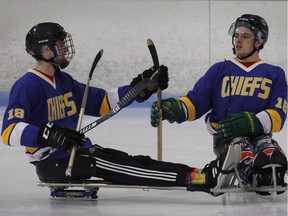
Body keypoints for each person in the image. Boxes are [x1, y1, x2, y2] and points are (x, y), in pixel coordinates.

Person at [1, 22, 233, 195]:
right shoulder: (27, 85)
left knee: (136, 160)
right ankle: (195, 178)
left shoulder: (64, 81)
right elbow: (8, 132)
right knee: (123, 167)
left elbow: (104, 102)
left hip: (75, 153)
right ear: (46, 51)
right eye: (59, 45)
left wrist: (141, 86)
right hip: (54, 163)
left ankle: (198, 172)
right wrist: (47, 134)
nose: (65, 48)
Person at [151, 14, 287, 195]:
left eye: (245, 36)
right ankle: (250, 170)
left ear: (259, 42)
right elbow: (196, 101)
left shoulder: (275, 73)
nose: (238, 40)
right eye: (236, 35)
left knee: (268, 146)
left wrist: (251, 122)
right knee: (240, 146)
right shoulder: (219, 70)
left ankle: (269, 169)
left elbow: (278, 114)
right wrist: (175, 108)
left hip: (261, 135)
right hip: (226, 139)